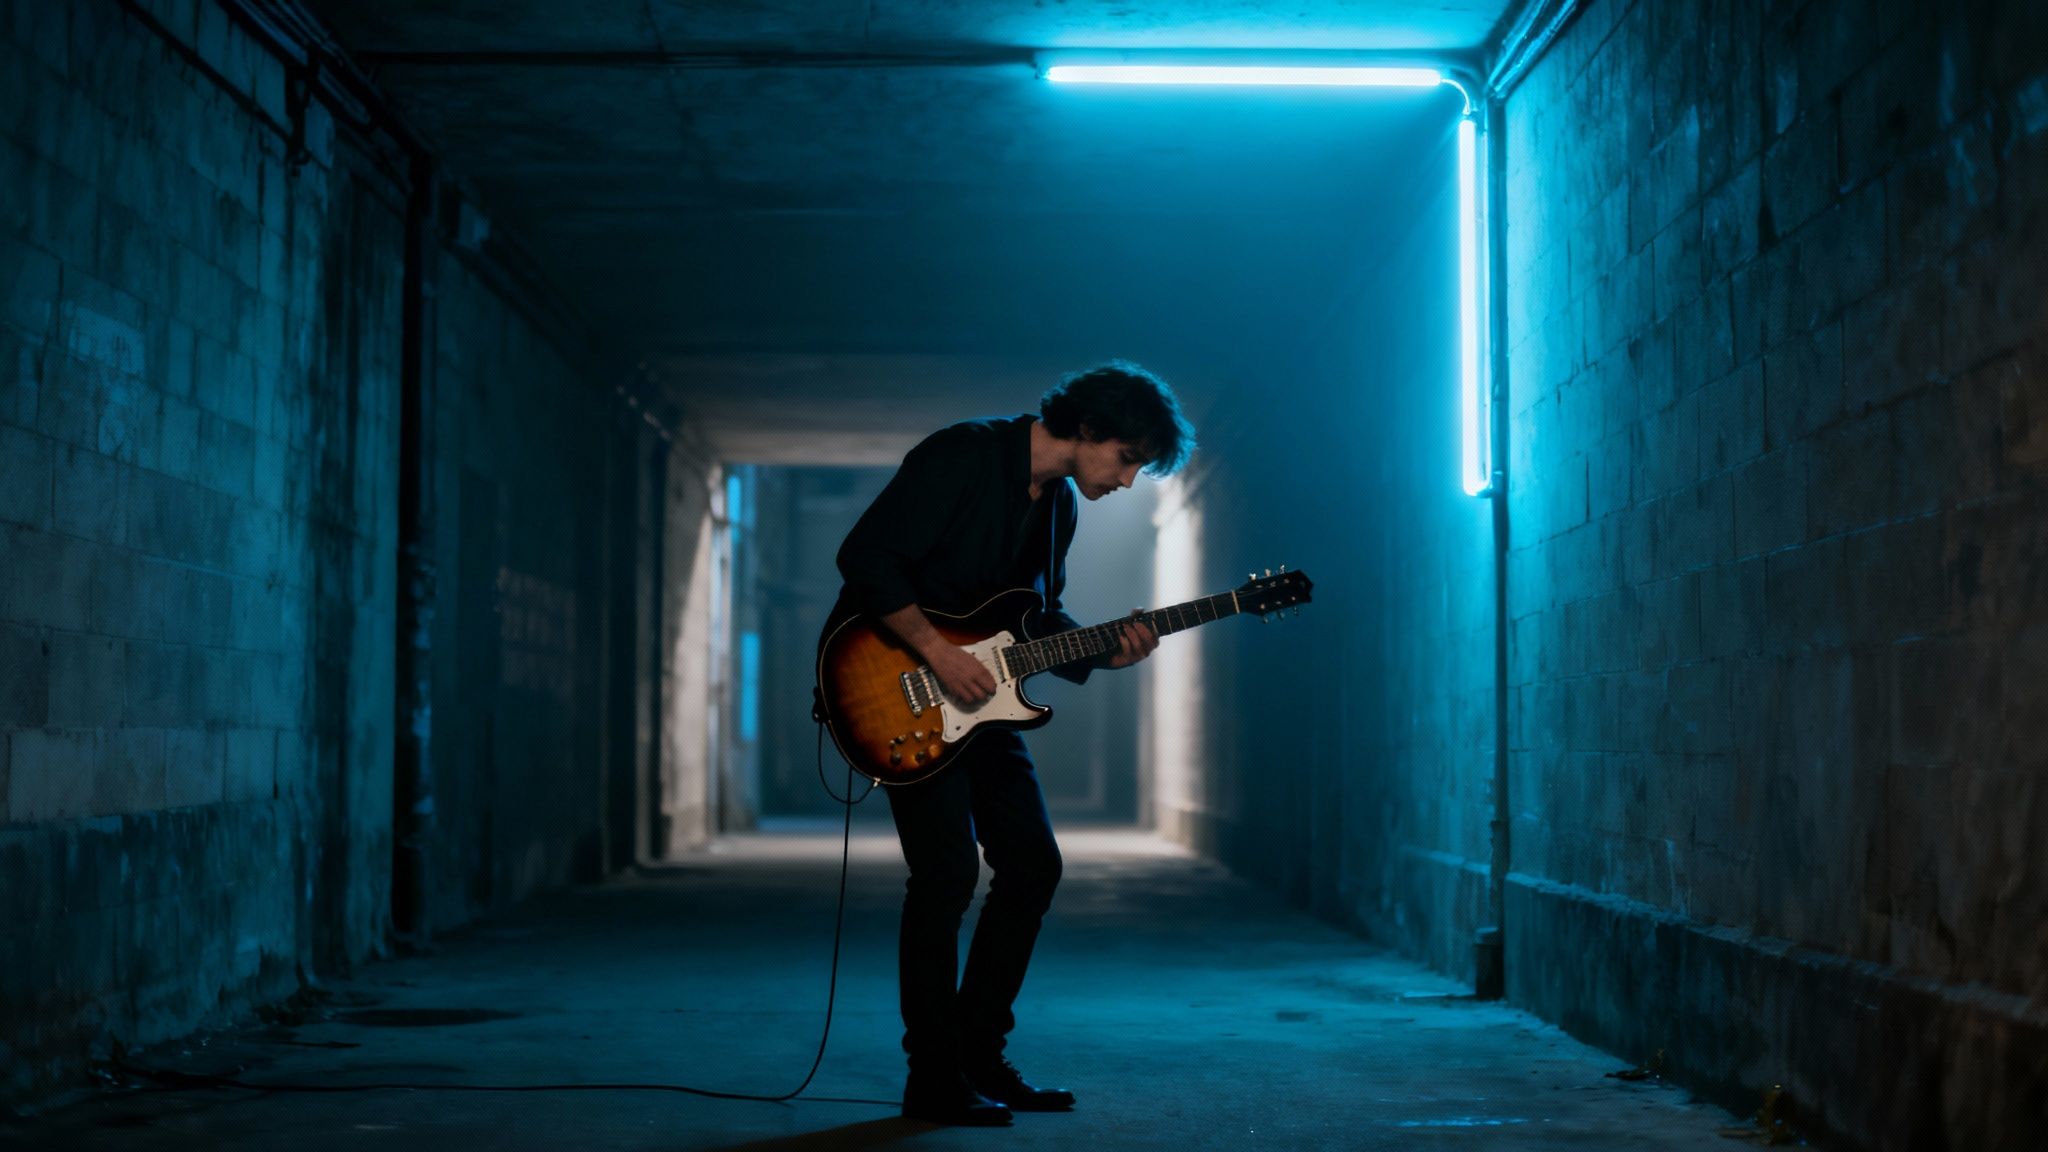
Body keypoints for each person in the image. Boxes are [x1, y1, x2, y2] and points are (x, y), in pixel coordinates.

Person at [831, 361, 1196, 1126]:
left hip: (983, 704)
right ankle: (932, 1077)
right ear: (1089, 428)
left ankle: (978, 1056)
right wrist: (938, 653)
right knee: (945, 875)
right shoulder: (962, 454)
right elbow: (866, 559)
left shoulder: (1060, 506)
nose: (1128, 481)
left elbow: (1032, 621)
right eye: (1127, 459)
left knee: (1033, 864)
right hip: (898, 685)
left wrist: (1107, 649)